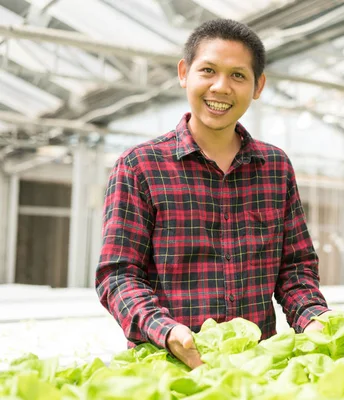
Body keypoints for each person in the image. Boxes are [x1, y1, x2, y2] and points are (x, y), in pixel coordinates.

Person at [95, 19, 330, 369]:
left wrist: (314, 319)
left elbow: (295, 269)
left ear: (258, 85)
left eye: (238, 75)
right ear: (184, 73)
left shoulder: (275, 167)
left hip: (256, 368)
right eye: (208, 70)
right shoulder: (140, 166)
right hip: (166, 365)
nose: (221, 87)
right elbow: (118, 275)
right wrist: (165, 330)